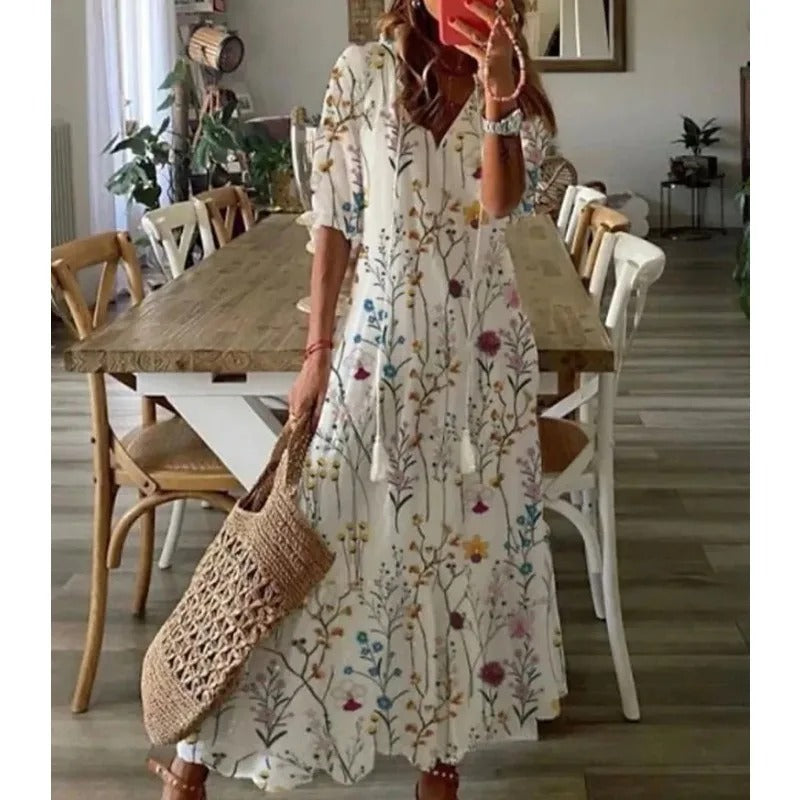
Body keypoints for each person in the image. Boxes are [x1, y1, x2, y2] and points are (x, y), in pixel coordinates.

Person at [151, 1, 565, 798]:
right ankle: (196, 751)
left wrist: (500, 99)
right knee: (308, 546)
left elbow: (501, 205)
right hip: (379, 345)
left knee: (464, 554)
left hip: (483, 358)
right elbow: (334, 221)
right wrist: (317, 354)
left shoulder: (512, 78)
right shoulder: (362, 73)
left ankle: (440, 764)